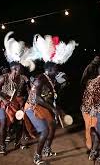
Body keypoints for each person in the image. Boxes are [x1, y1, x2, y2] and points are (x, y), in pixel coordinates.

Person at [25, 34, 78, 165]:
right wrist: (53, 108)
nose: (57, 69)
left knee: (53, 125)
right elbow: (37, 98)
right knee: (44, 130)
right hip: (32, 107)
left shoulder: (52, 80)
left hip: (43, 106)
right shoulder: (40, 79)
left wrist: (58, 108)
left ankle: (47, 149)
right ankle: (37, 156)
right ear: (49, 69)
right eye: (55, 68)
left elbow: (51, 97)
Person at [0, 62, 29, 155]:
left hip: (16, 103)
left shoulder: (23, 78)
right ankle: (2, 146)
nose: (22, 70)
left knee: (20, 123)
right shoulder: (4, 78)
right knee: (3, 123)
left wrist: (26, 96)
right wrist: (3, 99)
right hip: (2, 104)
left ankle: (18, 142)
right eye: (20, 68)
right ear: (14, 69)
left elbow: (28, 90)